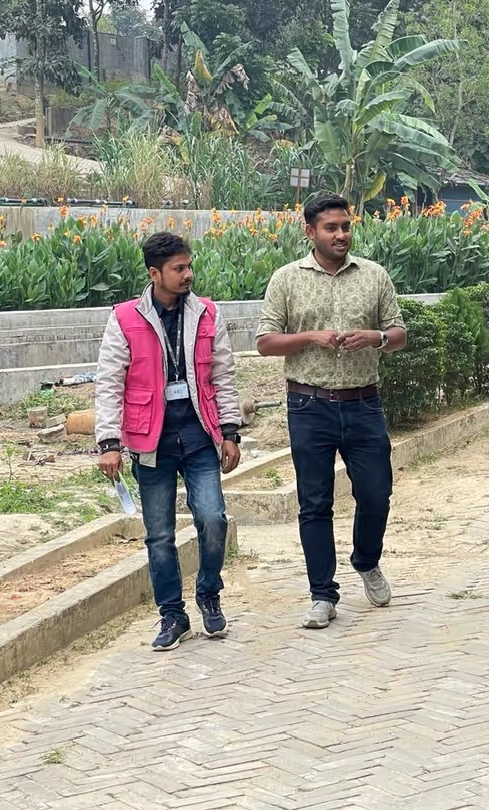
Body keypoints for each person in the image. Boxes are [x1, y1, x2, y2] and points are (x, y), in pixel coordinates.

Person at [256, 194, 407, 630]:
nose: (341, 234)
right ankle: (322, 594)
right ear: (310, 232)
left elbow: (399, 333)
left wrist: (375, 337)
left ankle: (366, 560)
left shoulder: (373, 275)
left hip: (364, 403)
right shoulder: (286, 280)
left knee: (377, 493)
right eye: (331, 228)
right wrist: (310, 337)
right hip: (309, 405)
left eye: (345, 226)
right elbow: (265, 342)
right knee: (315, 504)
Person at [95, 232, 244, 652]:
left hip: (199, 436)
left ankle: (209, 593)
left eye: (189, 265)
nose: (188, 275)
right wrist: (109, 442)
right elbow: (109, 382)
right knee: (158, 534)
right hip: (150, 441)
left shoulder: (209, 313)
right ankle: (172, 615)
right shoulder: (124, 318)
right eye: (178, 268)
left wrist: (230, 432)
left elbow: (223, 376)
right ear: (154, 273)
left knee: (213, 519)